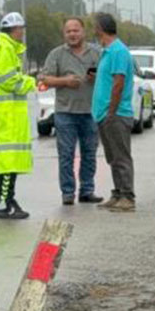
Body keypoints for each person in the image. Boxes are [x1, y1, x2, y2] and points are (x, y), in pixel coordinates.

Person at [0, 12, 37, 220]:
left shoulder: (0, 46)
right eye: (21, 29)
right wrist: (32, 83)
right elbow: (8, 80)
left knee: (1, 162)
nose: (23, 33)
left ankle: (0, 202)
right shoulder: (4, 48)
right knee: (6, 162)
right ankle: (3, 204)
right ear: (15, 29)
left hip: (1, 116)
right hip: (5, 116)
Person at [39, 17, 104, 206]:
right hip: (65, 113)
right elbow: (45, 79)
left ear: (83, 32)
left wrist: (96, 77)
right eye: (68, 31)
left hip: (90, 111)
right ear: (64, 34)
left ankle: (87, 190)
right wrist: (65, 81)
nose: (72, 34)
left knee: (89, 153)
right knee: (66, 154)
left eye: (76, 30)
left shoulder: (96, 53)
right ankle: (68, 193)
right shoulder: (56, 54)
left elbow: (107, 75)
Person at [92, 13, 137, 212]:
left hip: (116, 114)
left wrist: (111, 110)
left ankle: (128, 195)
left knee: (121, 156)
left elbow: (118, 82)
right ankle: (118, 192)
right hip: (105, 114)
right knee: (113, 157)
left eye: (95, 27)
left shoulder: (118, 51)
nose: (94, 30)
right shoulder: (107, 52)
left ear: (101, 28)